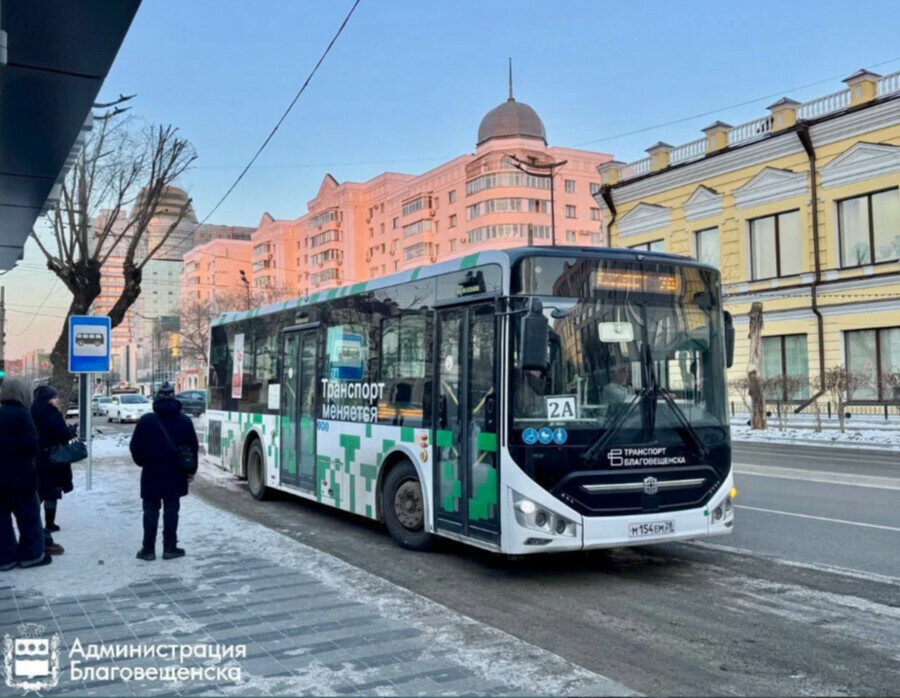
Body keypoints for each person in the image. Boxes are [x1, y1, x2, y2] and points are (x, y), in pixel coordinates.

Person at [130, 382, 198, 561]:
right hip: (176, 472)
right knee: (172, 509)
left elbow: (135, 447)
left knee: (150, 509)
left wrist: (143, 462)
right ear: (174, 396)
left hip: (152, 471)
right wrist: (190, 471)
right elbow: (193, 448)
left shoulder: (147, 421)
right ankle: (170, 547)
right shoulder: (184, 421)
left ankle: (148, 549)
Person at [0, 379, 52, 569]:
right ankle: (31, 555)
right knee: (28, 517)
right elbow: (31, 444)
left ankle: (5, 558)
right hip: (21, 477)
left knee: (2, 521)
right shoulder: (23, 415)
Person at [32, 385, 75, 555]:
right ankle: (50, 522)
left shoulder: (30, 412)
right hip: (53, 457)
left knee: (39, 490)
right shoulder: (53, 414)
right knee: (52, 490)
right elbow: (62, 434)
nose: (56, 399)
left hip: (36, 457)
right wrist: (71, 431)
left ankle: (35, 518)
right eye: (54, 397)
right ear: (48, 399)